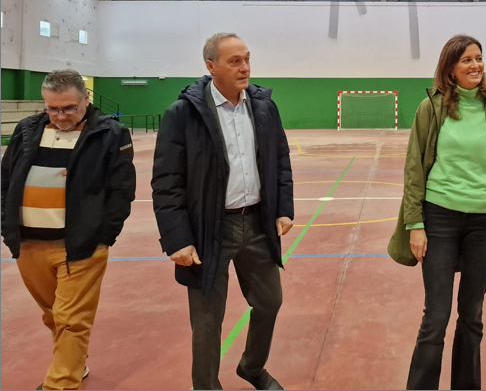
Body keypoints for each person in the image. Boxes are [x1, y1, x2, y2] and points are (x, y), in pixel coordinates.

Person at [151, 33, 293, 391]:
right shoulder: (183, 114)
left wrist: (283, 208)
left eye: (246, 59)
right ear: (211, 66)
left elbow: (280, 161)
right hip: (209, 230)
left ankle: (252, 367)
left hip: (259, 223)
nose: (244, 67)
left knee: (270, 302)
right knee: (207, 321)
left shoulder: (263, 107)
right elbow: (166, 182)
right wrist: (177, 240)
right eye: (234, 61)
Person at [388, 34, 486, 390]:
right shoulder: (430, 108)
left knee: (472, 316)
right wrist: (415, 222)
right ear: (450, 68)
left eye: (479, 58)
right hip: (439, 217)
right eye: (466, 60)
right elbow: (414, 168)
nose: (476, 65)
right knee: (436, 316)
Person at [1, 69, 136, 390]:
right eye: (53, 108)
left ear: (85, 99)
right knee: (53, 315)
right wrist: (6, 224)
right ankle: (75, 362)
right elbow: (6, 179)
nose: (61, 116)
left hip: (81, 245)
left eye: (69, 108)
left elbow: (121, 190)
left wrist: (104, 237)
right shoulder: (27, 129)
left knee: (72, 320)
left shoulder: (110, 134)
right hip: (29, 243)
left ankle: (61, 383)